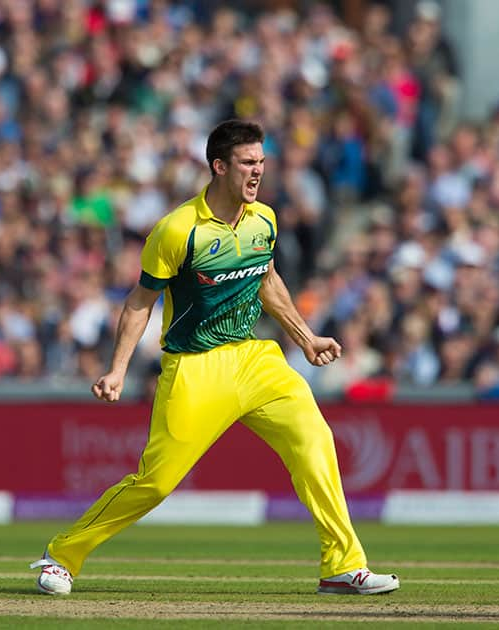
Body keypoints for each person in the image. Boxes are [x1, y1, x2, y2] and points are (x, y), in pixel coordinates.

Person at [29, 120, 400, 597]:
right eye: (248, 162)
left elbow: (266, 279)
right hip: (194, 366)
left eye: (262, 162)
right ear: (219, 166)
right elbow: (140, 302)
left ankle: (342, 564)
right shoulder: (177, 230)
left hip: (255, 359)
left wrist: (305, 338)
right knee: (157, 483)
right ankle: (62, 554)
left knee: (315, 440)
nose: (258, 171)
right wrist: (118, 368)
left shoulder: (263, 218)